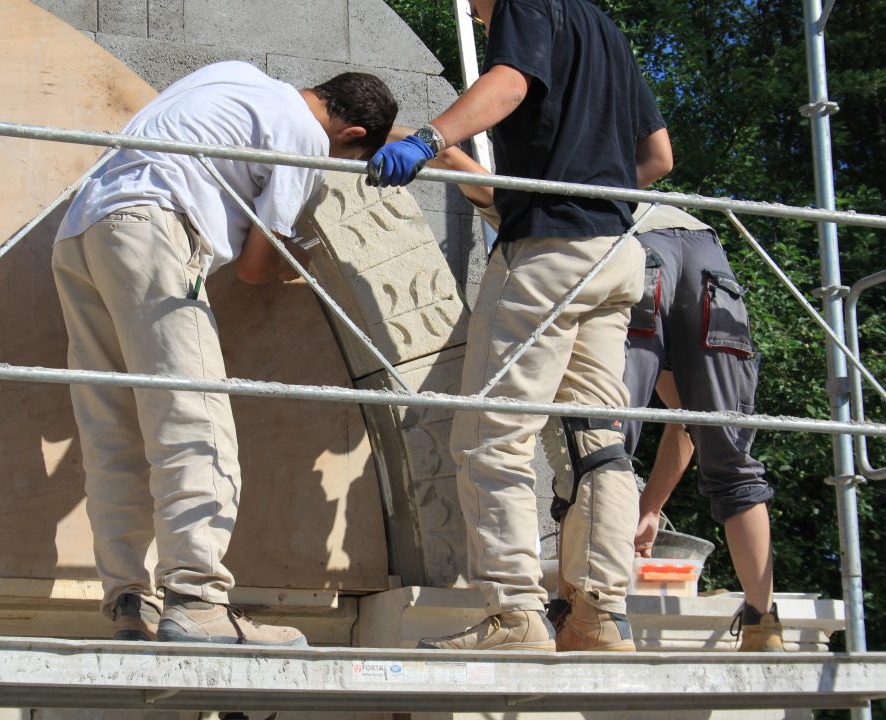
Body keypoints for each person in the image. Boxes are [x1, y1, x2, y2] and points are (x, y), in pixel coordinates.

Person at [52, 61, 397, 645]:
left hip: (84, 228)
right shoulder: (306, 138)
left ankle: (131, 603)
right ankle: (198, 600)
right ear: (352, 134)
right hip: (156, 228)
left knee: (112, 427)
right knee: (196, 419)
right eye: (347, 159)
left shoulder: (235, 76)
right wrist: (297, 259)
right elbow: (257, 268)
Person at [367, 0, 672, 652]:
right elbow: (658, 157)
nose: (480, 19)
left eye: (477, 11)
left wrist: (428, 140)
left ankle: (515, 616)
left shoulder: (526, 3)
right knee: (597, 442)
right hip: (615, 252)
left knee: (490, 437)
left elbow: (508, 84)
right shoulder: (605, 31)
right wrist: (589, 191)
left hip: (547, 254)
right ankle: (598, 616)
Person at [622, 204, 784, 652]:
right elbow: (685, 425)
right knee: (731, 457)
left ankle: (584, 612)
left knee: (602, 446)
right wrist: (650, 509)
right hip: (709, 256)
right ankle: (762, 624)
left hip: (638, 244)